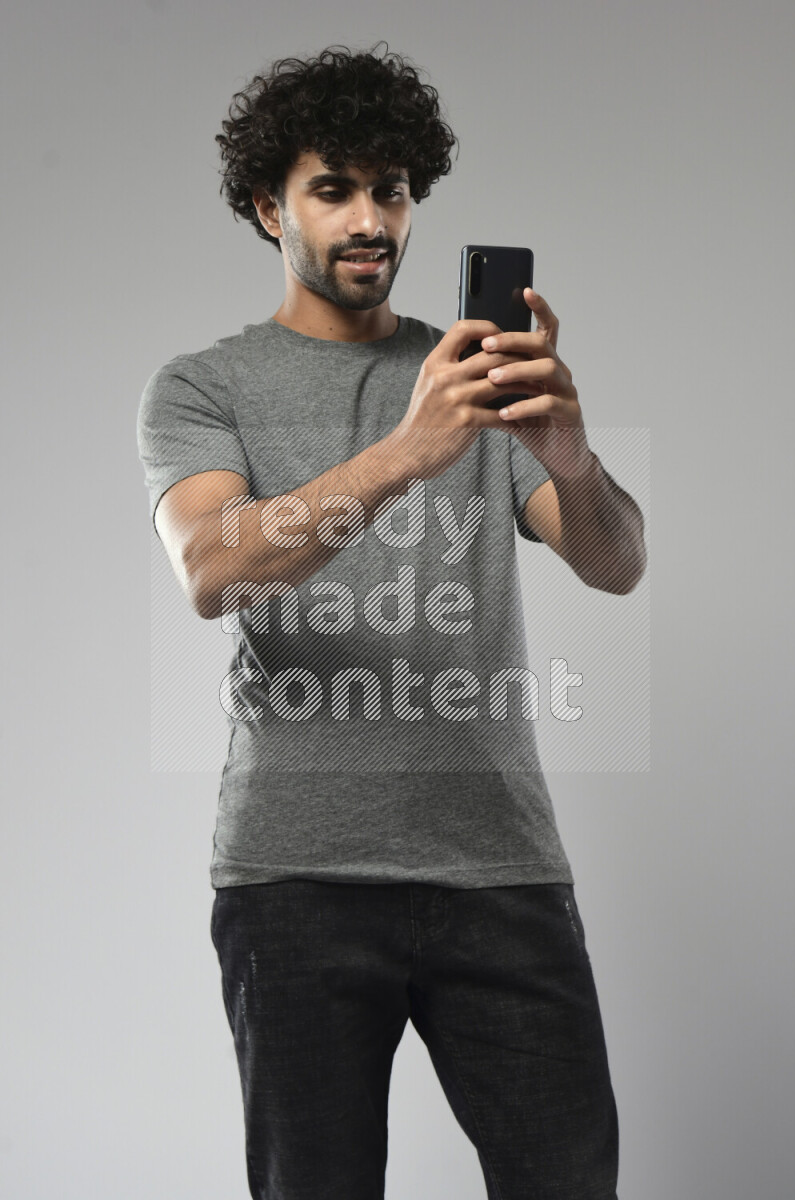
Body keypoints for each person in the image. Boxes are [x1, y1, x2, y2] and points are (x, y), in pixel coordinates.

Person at [137, 41, 646, 1200]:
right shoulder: (202, 388)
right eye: (334, 190)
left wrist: (564, 453)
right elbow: (214, 570)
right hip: (296, 882)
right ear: (269, 207)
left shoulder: (472, 374)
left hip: (501, 870)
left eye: (393, 190)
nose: (370, 219)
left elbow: (614, 563)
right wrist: (408, 452)